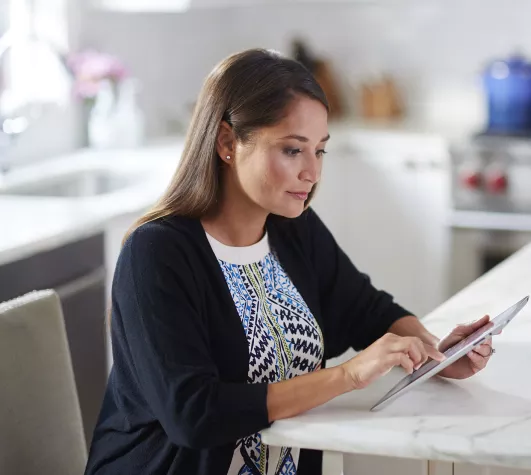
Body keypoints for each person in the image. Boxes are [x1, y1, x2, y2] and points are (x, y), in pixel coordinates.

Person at [84, 48, 495, 475]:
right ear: (226, 142)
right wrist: (348, 375)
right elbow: (194, 414)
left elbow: (367, 311)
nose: (312, 173)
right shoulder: (157, 253)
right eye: (293, 150)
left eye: (320, 151)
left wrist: (436, 355)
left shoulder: (292, 229)